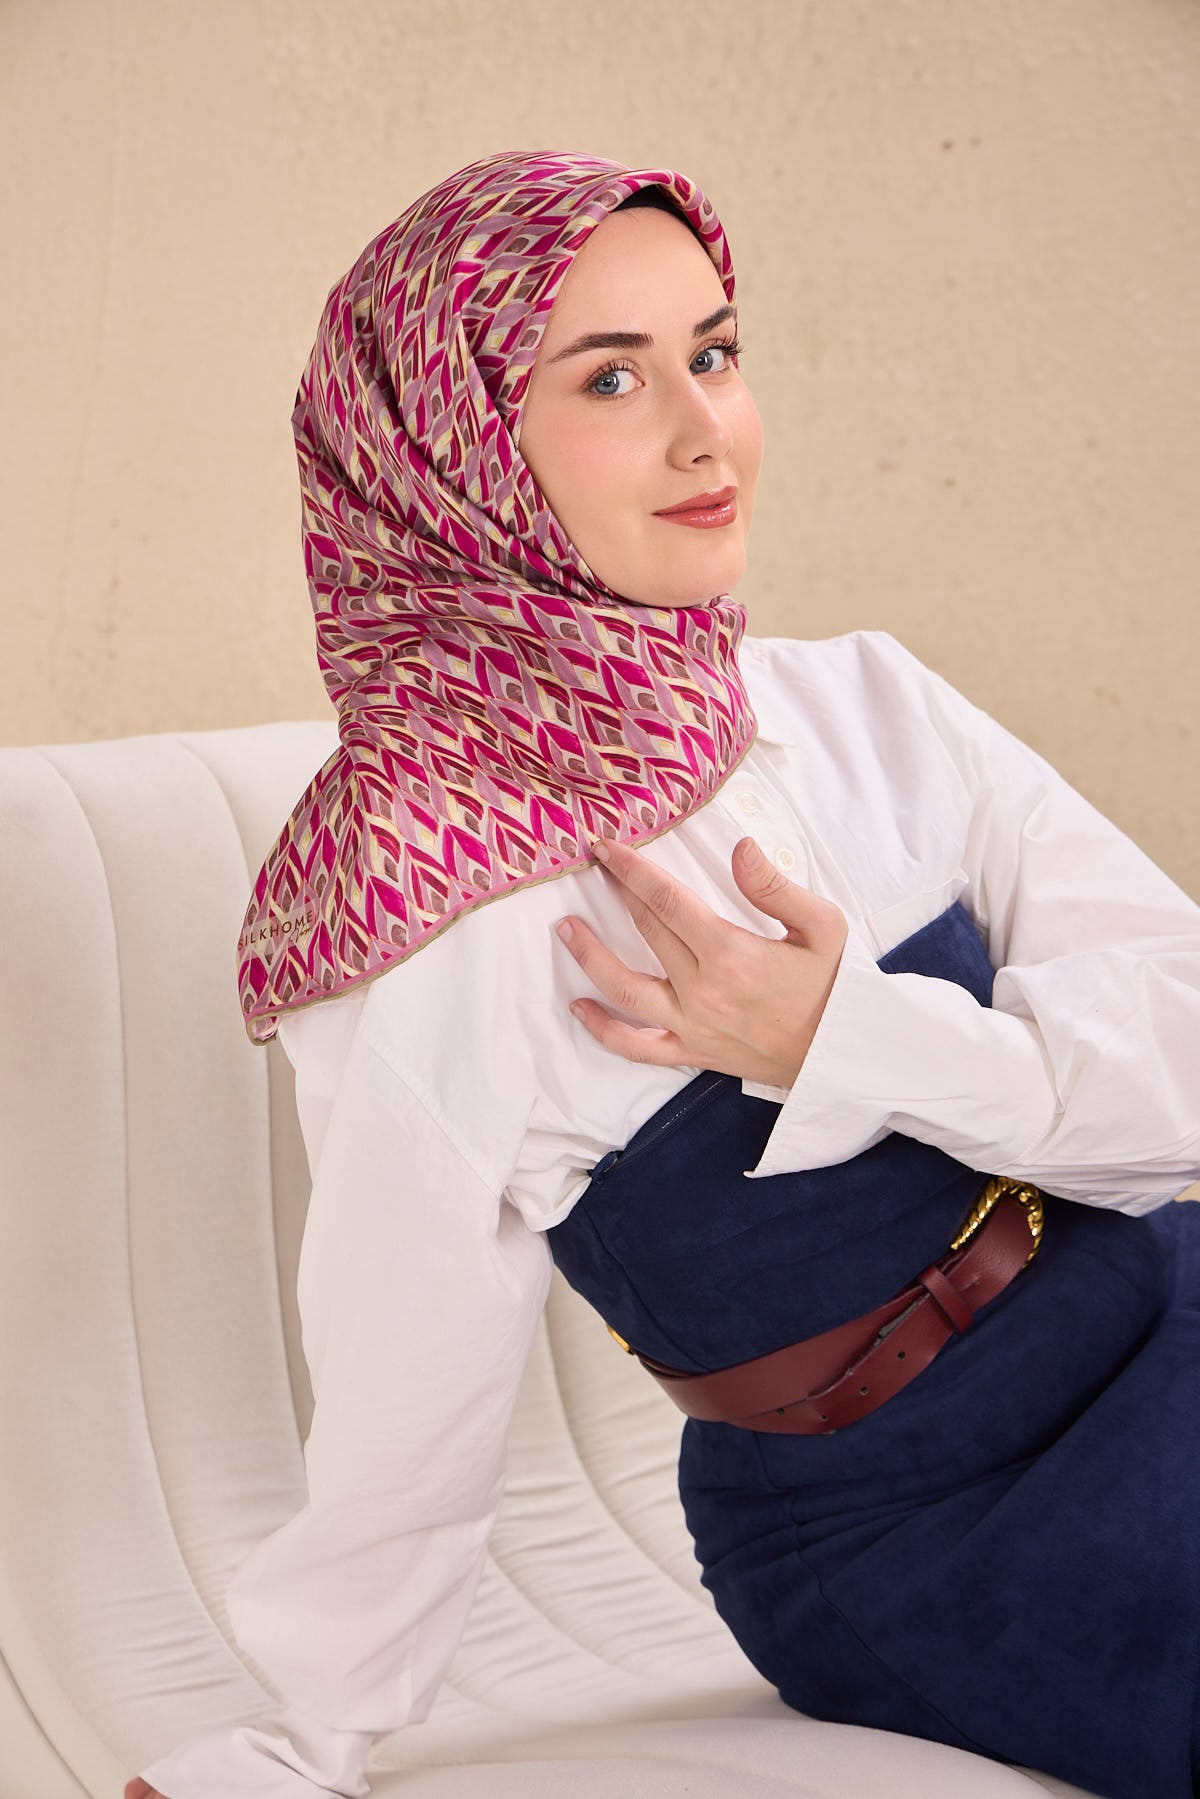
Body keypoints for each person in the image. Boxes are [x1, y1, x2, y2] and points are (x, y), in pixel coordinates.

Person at [129, 149, 1200, 1799]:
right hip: (927, 1523)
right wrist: (301, 1742)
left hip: (1166, 1315)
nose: (708, 431)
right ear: (455, 451)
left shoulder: (867, 706)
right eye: (613, 379)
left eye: (715, 352)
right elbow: (409, 1374)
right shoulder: (430, 892)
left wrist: (854, 1038)